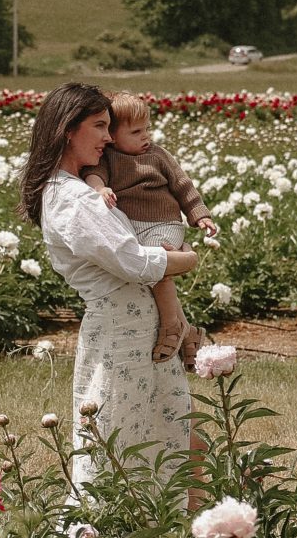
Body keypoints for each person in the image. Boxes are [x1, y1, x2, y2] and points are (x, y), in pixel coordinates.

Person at [18, 83, 199, 498]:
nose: (108, 137)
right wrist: (189, 260)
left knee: (164, 440)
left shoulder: (80, 192)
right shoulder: (75, 200)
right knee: (117, 446)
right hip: (122, 338)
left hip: (138, 333)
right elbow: (133, 263)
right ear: (67, 130)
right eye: (100, 126)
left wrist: (178, 320)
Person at [82, 90, 218, 366]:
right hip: (133, 229)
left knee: (156, 263)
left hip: (164, 224)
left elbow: (183, 186)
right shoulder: (108, 158)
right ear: (113, 135)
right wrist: (100, 188)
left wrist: (199, 215)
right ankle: (189, 331)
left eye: (147, 129)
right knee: (149, 268)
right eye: (135, 132)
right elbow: (93, 175)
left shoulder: (158, 155)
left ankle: (171, 325)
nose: (145, 137)